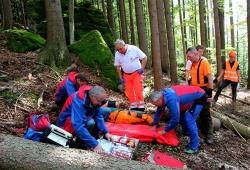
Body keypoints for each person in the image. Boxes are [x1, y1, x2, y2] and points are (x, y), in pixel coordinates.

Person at [149, 85, 207, 154]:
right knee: (181, 114)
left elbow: (175, 120)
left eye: (155, 104)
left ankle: (194, 146)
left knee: (189, 119)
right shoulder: (162, 97)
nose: (156, 106)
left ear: (159, 99)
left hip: (199, 96)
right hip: (184, 99)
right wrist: (155, 124)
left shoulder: (171, 100)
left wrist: (165, 131)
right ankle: (186, 131)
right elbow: (159, 111)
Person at [57, 85, 112, 153]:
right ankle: (80, 146)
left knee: (106, 111)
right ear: (92, 96)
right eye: (99, 101)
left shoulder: (94, 98)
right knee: (90, 122)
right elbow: (78, 125)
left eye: (102, 101)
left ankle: (93, 138)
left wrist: (106, 132)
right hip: (67, 122)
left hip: (85, 115)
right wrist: (94, 144)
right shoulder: (79, 101)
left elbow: (99, 116)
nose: (100, 103)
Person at [186, 47, 214, 144]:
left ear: (195, 54)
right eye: (187, 57)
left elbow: (210, 78)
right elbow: (191, 78)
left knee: (206, 112)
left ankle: (209, 135)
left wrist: (210, 93)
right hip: (195, 91)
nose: (188, 58)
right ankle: (203, 130)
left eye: (189, 56)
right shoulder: (192, 64)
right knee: (197, 110)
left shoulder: (204, 62)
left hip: (204, 90)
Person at [114, 39, 147, 111]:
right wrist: (120, 77)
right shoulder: (117, 54)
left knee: (138, 90)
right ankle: (133, 106)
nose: (120, 51)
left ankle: (141, 107)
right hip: (126, 75)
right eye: (118, 49)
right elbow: (117, 66)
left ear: (124, 45)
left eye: (121, 48)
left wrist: (142, 68)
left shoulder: (133, 49)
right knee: (129, 91)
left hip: (136, 73)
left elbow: (144, 57)